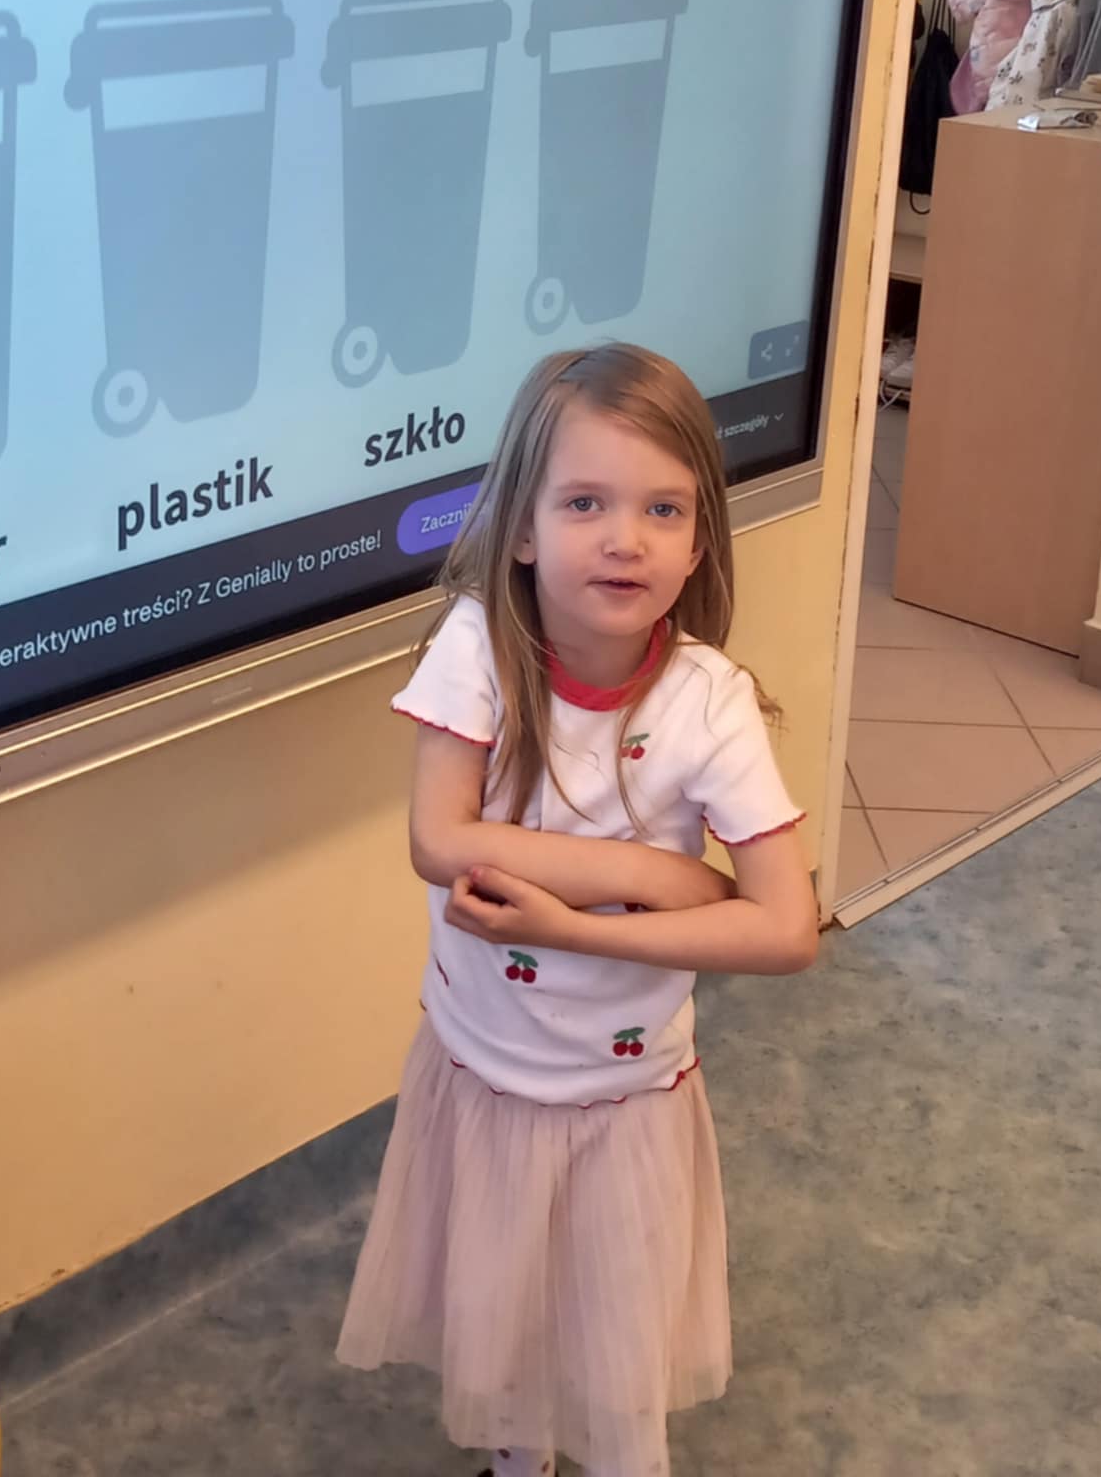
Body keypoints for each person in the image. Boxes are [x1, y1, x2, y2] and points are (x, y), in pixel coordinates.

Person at [337, 343, 818, 1477]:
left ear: (698, 539)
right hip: (484, 1067)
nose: (624, 538)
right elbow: (439, 840)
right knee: (505, 1321)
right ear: (521, 526)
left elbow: (785, 928)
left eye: (662, 508)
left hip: (622, 1096)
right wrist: (667, 878)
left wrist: (568, 923)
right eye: (584, 502)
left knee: (612, 1348)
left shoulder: (708, 701)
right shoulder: (476, 647)